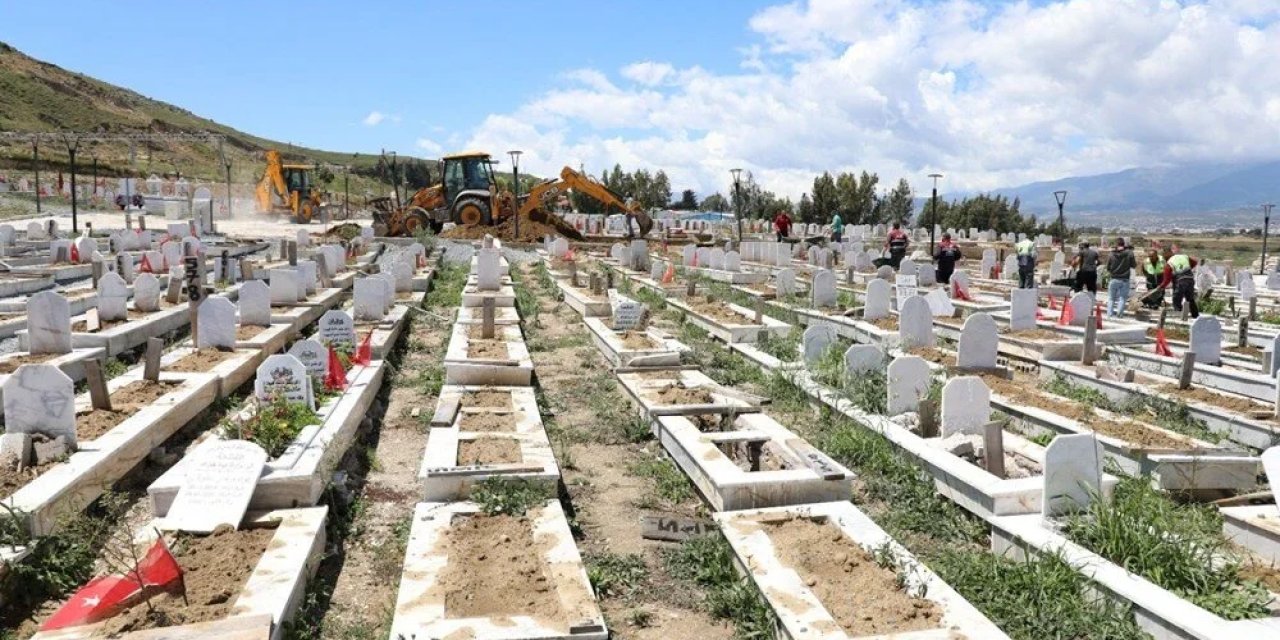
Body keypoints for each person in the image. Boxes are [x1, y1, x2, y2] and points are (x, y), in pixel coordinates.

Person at [1157, 246, 1199, 318]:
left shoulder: (1169, 263)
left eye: (1163, 256)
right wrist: (1187, 269)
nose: (1164, 258)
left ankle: (1178, 314)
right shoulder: (1183, 256)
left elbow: (1166, 280)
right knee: (1190, 298)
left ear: (1166, 254)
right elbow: (1195, 262)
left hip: (1180, 281)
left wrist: (1161, 287)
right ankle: (1195, 315)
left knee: (1176, 298)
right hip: (1190, 279)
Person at [1105, 238, 1136, 317]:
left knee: (1111, 298)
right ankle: (1119, 314)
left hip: (1114, 278)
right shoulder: (1130, 253)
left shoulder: (1111, 254)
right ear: (1124, 244)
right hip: (1125, 279)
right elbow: (1134, 265)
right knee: (1122, 298)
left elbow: (1108, 267)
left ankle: (1109, 314)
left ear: (1116, 244)